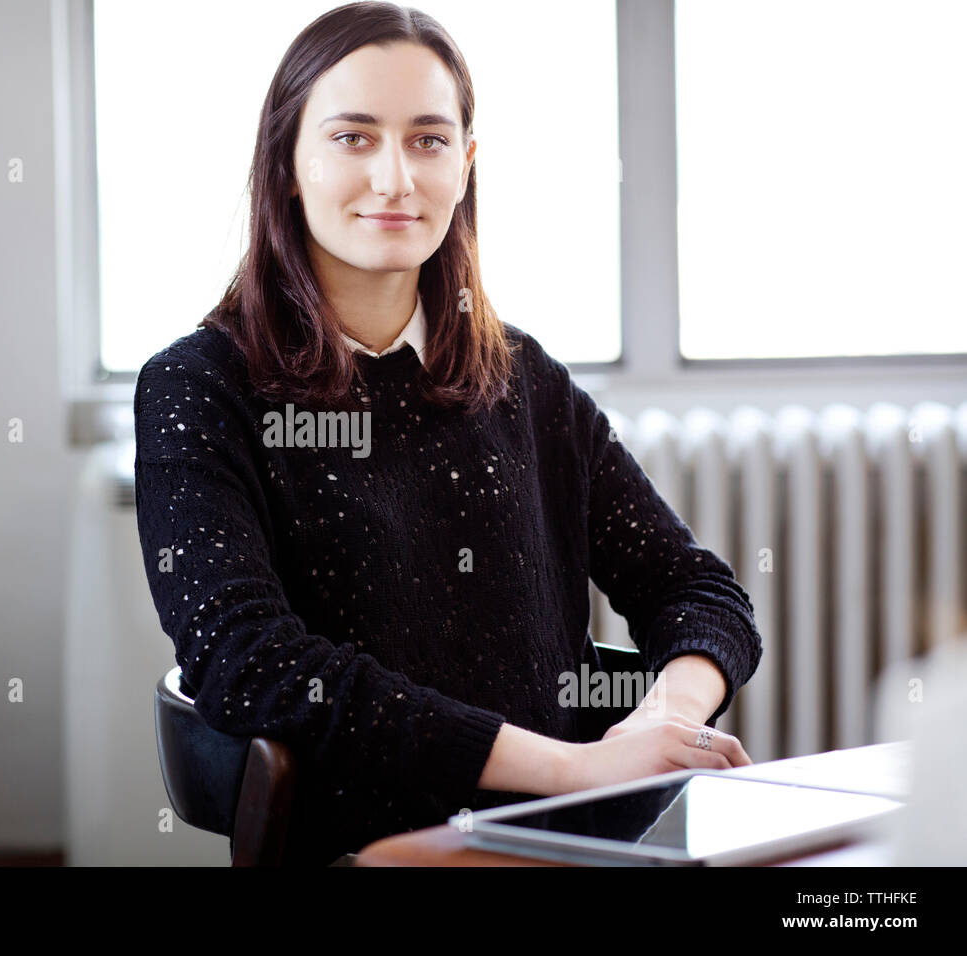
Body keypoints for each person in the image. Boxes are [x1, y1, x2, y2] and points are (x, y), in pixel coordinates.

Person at [133, 1, 760, 866]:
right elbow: (249, 662)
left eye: (428, 140)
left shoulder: (523, 377)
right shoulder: (200, 385)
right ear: (287, 165)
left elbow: (697, 588)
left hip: (575, 839)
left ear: (465, 165)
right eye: (353, 138)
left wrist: (666, 717)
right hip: (378, 847)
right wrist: (571, 768)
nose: (395, 179)